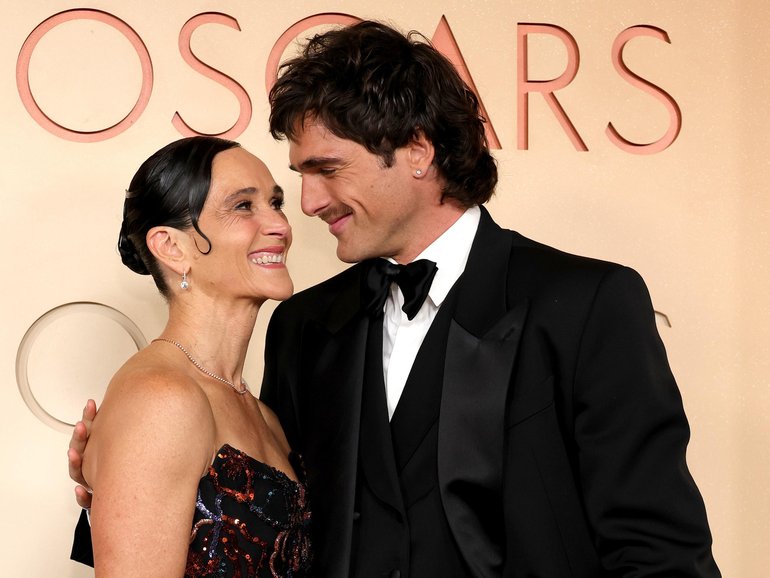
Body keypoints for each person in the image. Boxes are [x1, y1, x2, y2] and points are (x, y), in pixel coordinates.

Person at [71, 21, 720, 577]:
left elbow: (660, 555)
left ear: (416, 150)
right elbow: (260, 514)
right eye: (298, 178)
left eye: (328, 169)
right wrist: (119, 479)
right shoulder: (305, 325)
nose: (308, 205)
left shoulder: (585, 305)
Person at [71, 136, 312, 577]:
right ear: (172, 247)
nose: (279, 224)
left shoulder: (262, 413)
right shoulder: (161, 399)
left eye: (275, 203)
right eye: (243, 206)